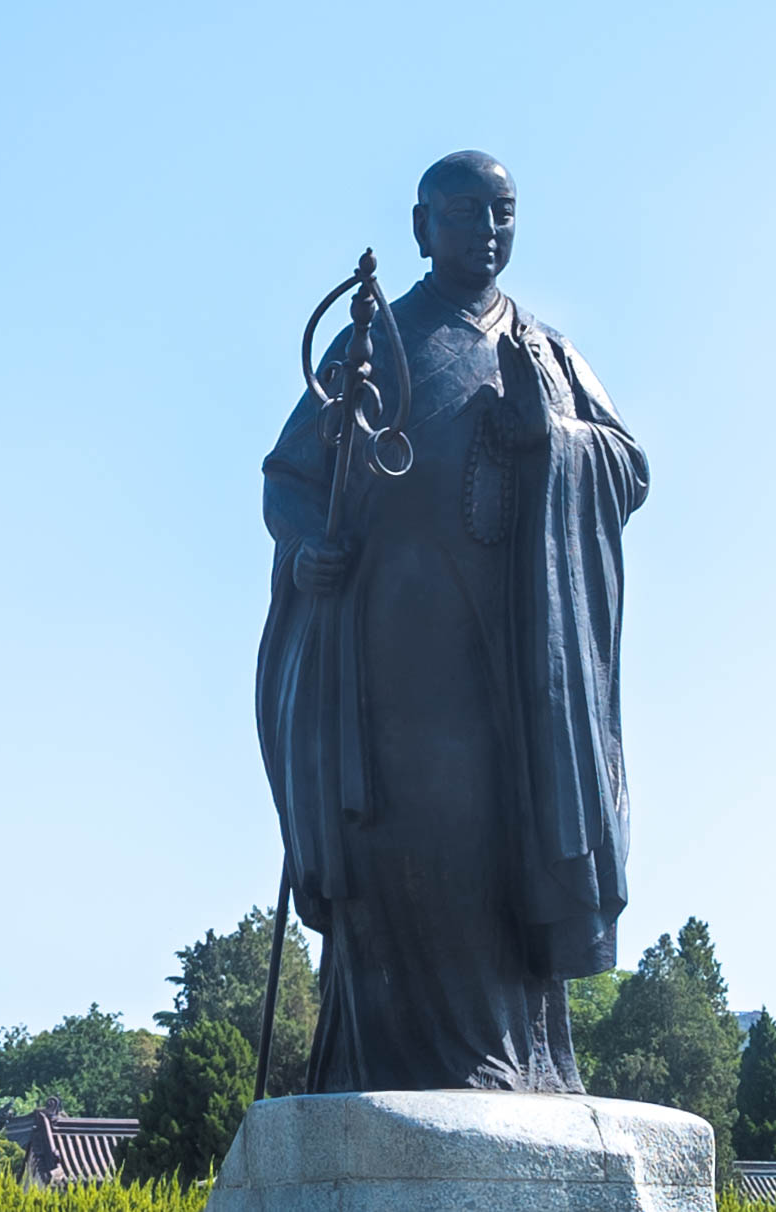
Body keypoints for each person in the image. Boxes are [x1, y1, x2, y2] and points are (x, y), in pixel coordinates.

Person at [255, 151, 649, 1093]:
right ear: (422, 226)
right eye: (466, 215)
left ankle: (521, 1063)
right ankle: (386, 1062)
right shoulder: (373, 345)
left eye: (504, 214)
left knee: (499, 841)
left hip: (514, 664)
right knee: (408, 841)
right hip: (392, 658)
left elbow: (627, 468)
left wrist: (549, 438)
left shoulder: (547, 356)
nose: (488, 232)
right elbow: (289, 479)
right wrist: (310, 549)